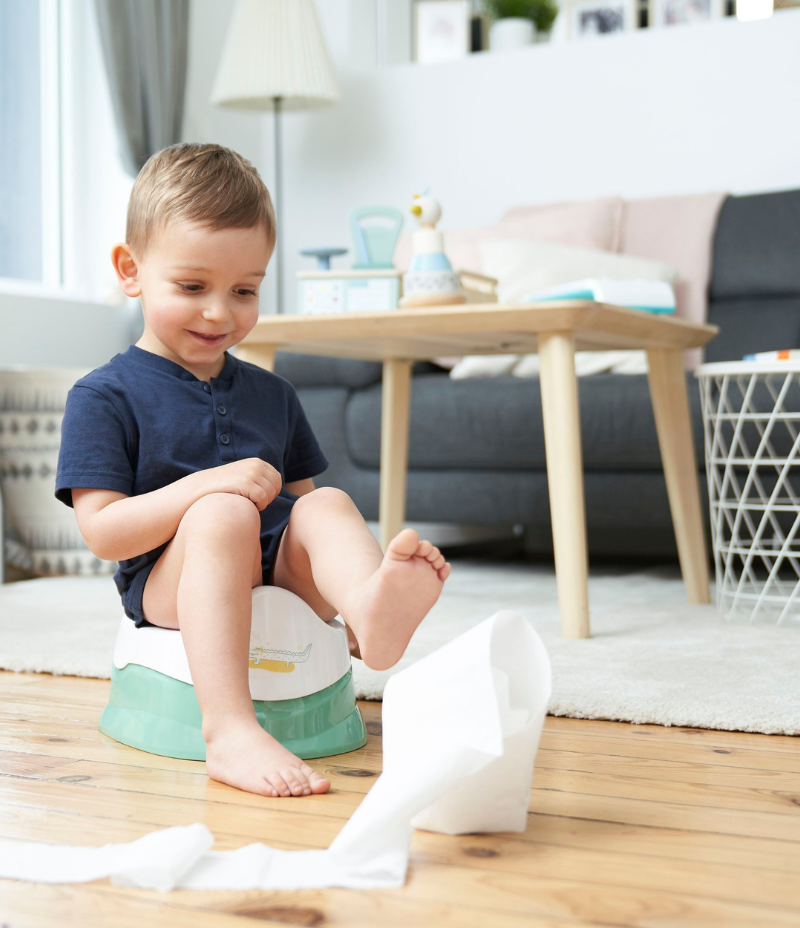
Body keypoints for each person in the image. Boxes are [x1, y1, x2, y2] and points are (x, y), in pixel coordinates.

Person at [54, 142, 451, 799]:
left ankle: (368, 617)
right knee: (224, 512)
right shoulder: (104, 395)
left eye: (245, 290)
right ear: (131, 270)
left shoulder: (275, 393)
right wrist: (206, 488)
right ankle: (230, 729)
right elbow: (103, 533)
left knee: (324, 508)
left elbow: (299, 511)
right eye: (192, 287)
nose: (220, 312)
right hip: (167, 580)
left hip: (275, 570)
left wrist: (335, 580)